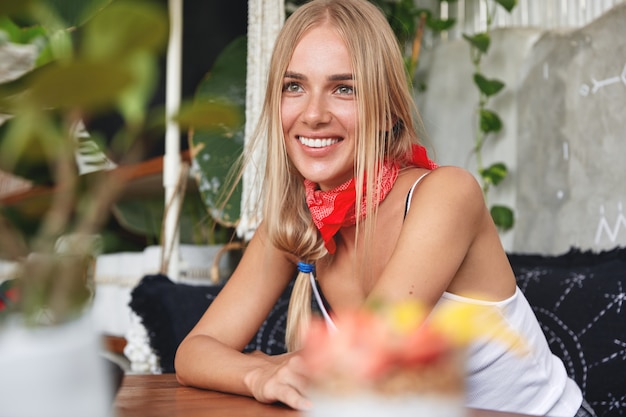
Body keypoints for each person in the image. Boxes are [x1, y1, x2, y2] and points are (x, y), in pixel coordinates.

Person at [175, 1, 595, 416]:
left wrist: (277, 363)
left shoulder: (446, 195)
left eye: (344, 88)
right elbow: (193, 353)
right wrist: (259, 375)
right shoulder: (295, 223)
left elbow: (363, 364)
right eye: (294, 86)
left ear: (386, 111)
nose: (314, 113)